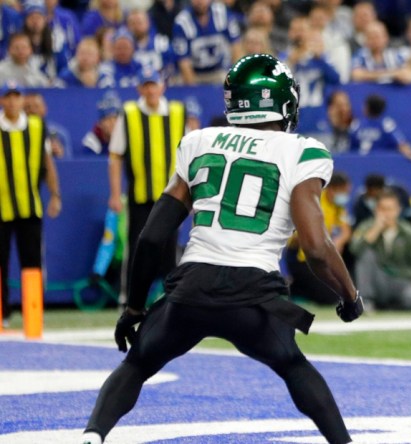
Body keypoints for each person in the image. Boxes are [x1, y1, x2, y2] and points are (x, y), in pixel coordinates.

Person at [79, 53, 363, 444]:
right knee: (293, 366)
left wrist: (133, 307)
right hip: (252, 294)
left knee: (137, 364)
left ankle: (92, 435)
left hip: (192, 287)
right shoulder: (302, 151)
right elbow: (315, 247)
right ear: (281, 100)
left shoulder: (200, 141)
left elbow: (151, 237)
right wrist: (349, 296)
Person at [107, 68, 184, 308]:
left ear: (163, 87)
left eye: (154, 85)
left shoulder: (177, 113)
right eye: (146, 85)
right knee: (137, 245)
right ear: (140, 88)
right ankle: (129, 297)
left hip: (171, 195)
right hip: (139, 194)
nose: (151, 90)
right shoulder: (129, 114)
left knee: (170, 248)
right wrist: (114, 193)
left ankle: (171, 297)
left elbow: (189, 156)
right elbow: (115, 155)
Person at [0, 82, 61, 328]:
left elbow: (47, 163)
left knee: (32, 262)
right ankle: (2, 314)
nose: (13, 102)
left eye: (17, 97)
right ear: (3, 101)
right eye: (8, 97)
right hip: (1, 207)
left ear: (22, 99)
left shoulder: (36, 127)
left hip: (30, 206)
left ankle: (33, 314)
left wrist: (55, 194)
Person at [350, 188, 411, 311]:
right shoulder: (366, 227)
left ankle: (387, 306)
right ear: (376, 210)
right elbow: (355, 250)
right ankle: (366, 301)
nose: (387, 213)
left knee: (410, 298)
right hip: (376, 281)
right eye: (382, 209)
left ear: (398, 210)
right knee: (366, 252)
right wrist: (376, 228)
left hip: (400, 280)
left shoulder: (409, 233)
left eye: (390, 209)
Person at [286, 171, 352, 305]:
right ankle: (294, 289)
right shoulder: (315, 201)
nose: (345, 196)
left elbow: (346, 230)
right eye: (343, 191)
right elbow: (297, 238)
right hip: (302, 257)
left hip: (321, 256)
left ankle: (296, 288)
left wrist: (337, 242)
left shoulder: (338, 206)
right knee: (332, 297)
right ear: (332, 189)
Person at [348, 94, 411, 162]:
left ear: (367, 108)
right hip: (379, 163)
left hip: (359, 162)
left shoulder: (356, 124)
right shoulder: (386, 124)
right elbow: (401, 144)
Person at [81, 91, 120, 156]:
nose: (113, 123)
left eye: (115, 118)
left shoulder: (126, 137)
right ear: (100, 123)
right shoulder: (91, 142)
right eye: (108, 119)